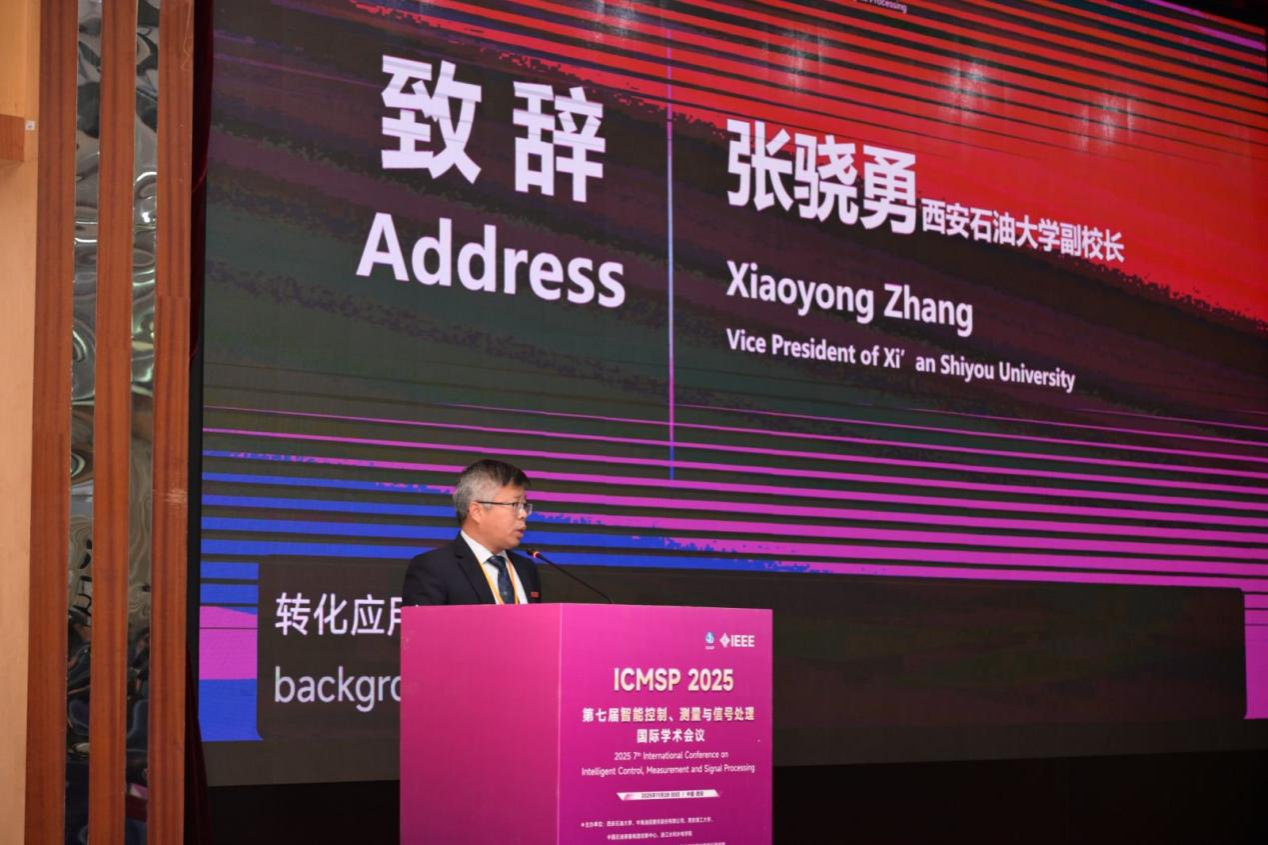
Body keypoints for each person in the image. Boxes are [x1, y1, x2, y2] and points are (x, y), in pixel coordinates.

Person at [401, 459, 542, 605]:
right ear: (477, 511)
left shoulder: (526, 568)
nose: (523, 514)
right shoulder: (434, 568)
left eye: (524, 505)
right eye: (515, 504)